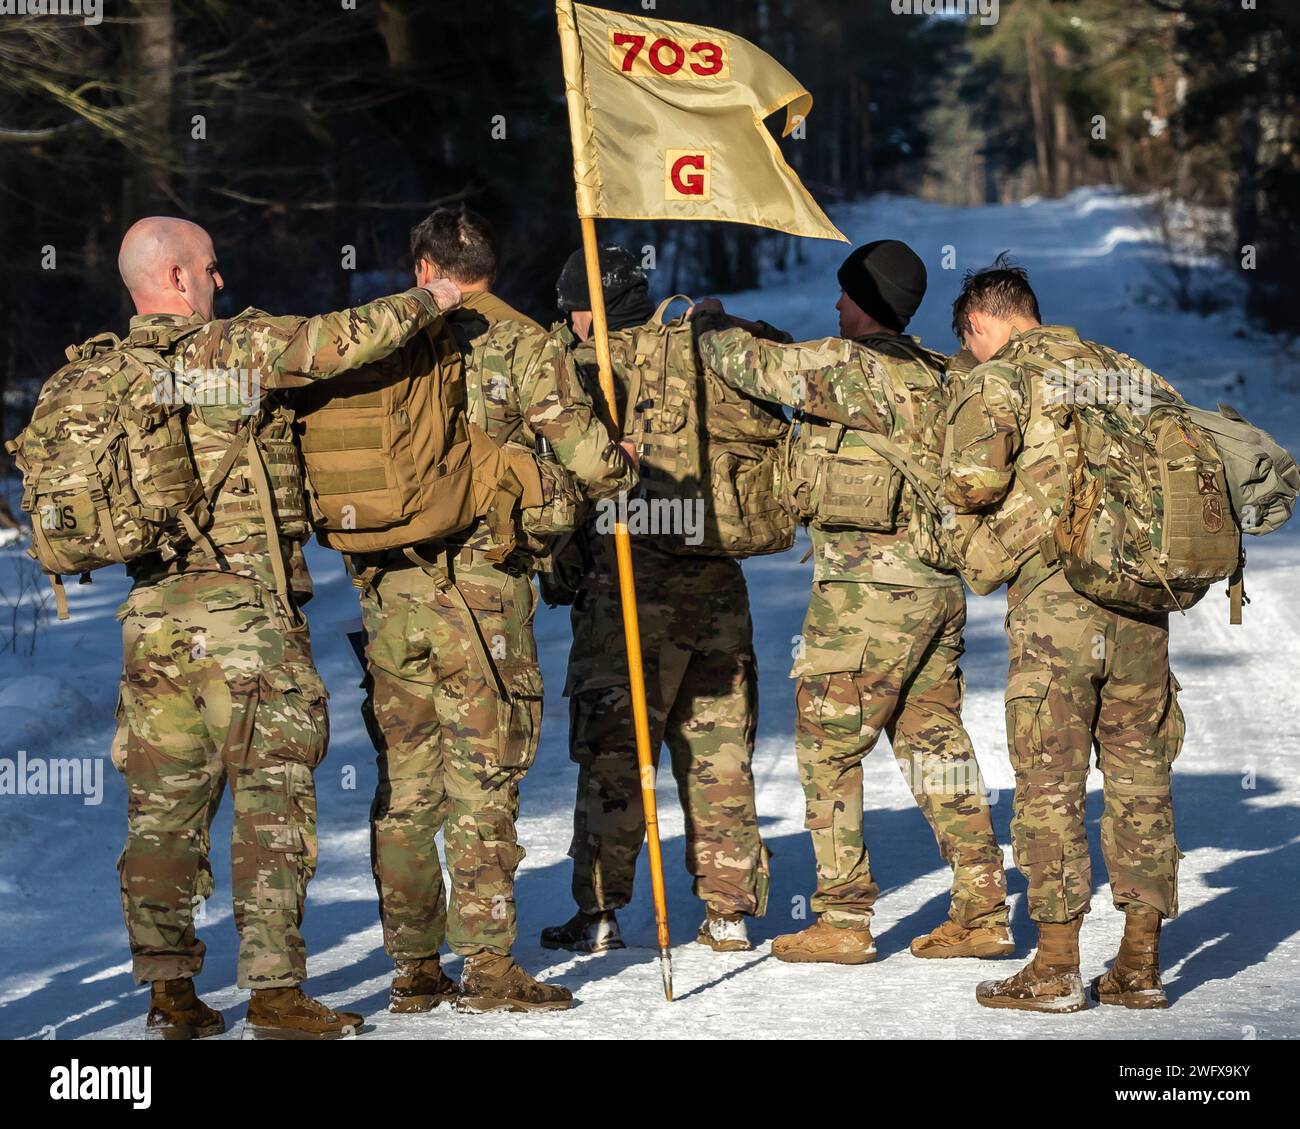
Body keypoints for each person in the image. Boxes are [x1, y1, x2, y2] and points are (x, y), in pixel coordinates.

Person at [109, 216, 460, 1038]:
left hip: (151, 619)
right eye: (210, 267)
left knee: (162, 812)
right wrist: (429, 297)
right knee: (272, 803)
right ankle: (273, 993)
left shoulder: (106, 374)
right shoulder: (226, 349)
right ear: (178, 279)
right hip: (244, 623)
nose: (219, 281)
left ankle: (170, 994)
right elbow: (333, 341)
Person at [688, 240, 1011, 964]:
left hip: (866, 600)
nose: (835, 307)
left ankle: (842, 915)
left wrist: (709, 323)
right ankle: (983, 906)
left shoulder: (847, 368)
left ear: (865, 304)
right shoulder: (940, 373)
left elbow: (752, 367)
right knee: (937, 746)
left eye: (844, 297)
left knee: (827, 746)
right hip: (937, 590)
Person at [349, 210, 636, 1013]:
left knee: (405, 785)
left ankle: (412, 965)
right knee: (484, 782)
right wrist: (616, 465)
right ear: (491, 268)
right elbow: (593, 465)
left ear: (421, 267)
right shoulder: (525, 343)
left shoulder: (378, 337)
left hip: (389, 592)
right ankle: (488, 966)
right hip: (484, 597)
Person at [940, 258, 1185, 1012]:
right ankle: (1139, 964)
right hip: (1142, 605)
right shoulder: (1126, 370)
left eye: (969, 342)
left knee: (1049, 782)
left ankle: (1053, 966)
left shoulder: (1003, 377)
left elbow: (970, 483)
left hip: (1059, 612)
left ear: (983, 322)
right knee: (1141, 775)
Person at [540, 245, 771, 956]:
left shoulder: (578, 371)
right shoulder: (701, 347)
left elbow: (564, 488)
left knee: (615, 754)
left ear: (585, 310)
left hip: (626, 589)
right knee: (719, 752)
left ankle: (602, 911)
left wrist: (558, 570)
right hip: (715, 581)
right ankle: (728, 910)